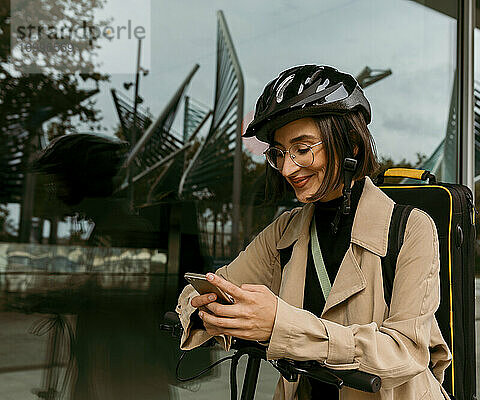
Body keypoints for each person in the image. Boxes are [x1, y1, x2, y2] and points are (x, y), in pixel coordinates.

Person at [176, 64, 452, 400]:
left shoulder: (411, 228)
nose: (288, 168)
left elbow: (404, 352)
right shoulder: (285, 230)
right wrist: (210, 310)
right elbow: (204, 290)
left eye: (303, 149)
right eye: (278, 154)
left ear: (351, 145)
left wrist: (282, 324)